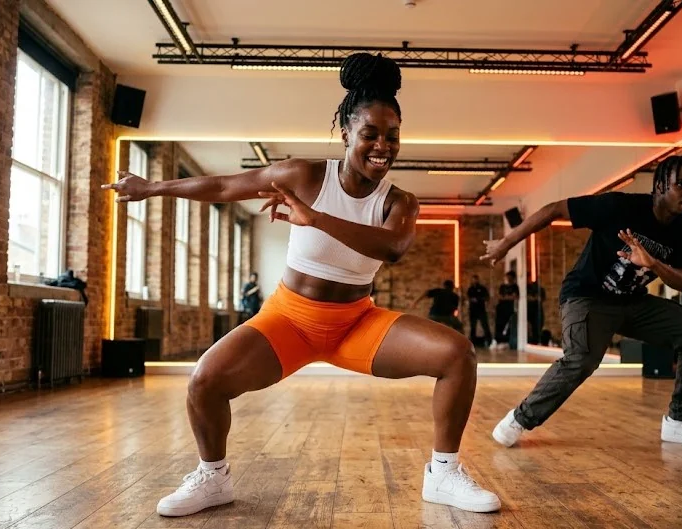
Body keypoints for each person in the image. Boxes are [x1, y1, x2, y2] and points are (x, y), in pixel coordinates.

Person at [104, 52, 499, 517]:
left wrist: (315, 218)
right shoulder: (305, 175)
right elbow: (226, 186)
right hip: (288, 319)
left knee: (457, 354)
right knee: (205, 380)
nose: (382, 146)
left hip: (357, 324)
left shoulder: (401, 202)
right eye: (370, 134)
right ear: (346, 132)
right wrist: (154, 187)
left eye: (392, 137)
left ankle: (444, 473)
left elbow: (392, 249)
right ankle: (213, 478)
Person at [480, 155, 682, 449]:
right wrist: (506, 244)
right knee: (582, 359)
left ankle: (681, 422)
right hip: (587, 297)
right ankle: (519, 419)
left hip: (633, 304)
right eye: (681, 184)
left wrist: (654, 264)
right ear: (660, 185)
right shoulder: (620, 207)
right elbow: (554, 209)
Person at [494, 271, 519, 349]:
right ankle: (498, 341)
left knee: (508, 325)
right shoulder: (502, 286)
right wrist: (508, 297)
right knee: (499, 324)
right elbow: (500, 296)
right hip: (501, 308)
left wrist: (506, 297)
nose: (508, 279)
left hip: (509, 309)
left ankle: (506, 341)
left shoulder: (515, 287)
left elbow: (515, 297)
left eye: (509, 277)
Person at [466, 275, 491, 345]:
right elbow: (468, 297)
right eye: (473, 279)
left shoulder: (482, 288)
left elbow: (487, 298)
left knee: (485, 325)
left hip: (481, 310)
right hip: (473, 310)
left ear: (478, 280)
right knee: (473, 326)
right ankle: (472, 343)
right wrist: (472, 300)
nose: (474, 281)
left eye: (475, 279)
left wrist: (478, 299)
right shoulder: (470, 289)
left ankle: (489, 341)